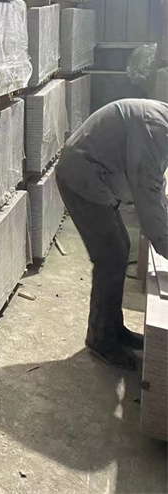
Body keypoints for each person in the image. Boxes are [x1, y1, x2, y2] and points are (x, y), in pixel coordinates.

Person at [56, 98, 168, 370]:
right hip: (81, 177)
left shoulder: (161, 123)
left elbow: (155, 186)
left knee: (120, 247)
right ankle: (101, 338)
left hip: (93, 174)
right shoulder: (155, 131)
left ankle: (113, 327)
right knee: (111, 256)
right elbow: (148, 196)